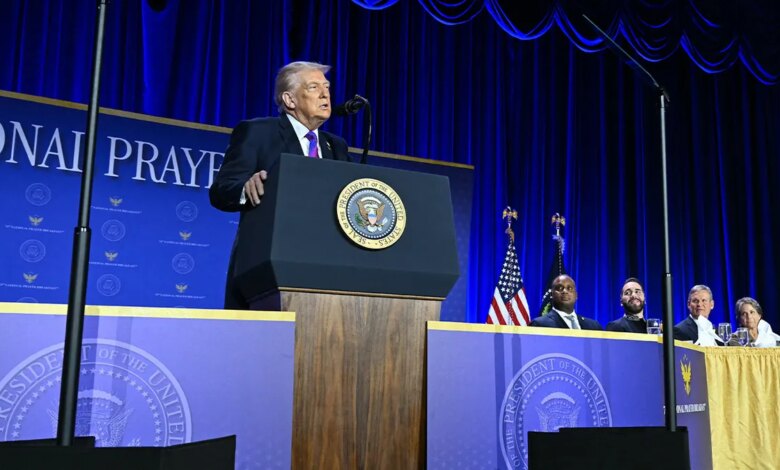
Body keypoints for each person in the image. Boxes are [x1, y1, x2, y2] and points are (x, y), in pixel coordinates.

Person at [209, 61, 351, 309]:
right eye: (313, 87)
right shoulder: (258, 132)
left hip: (328, 268)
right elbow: (221, 190)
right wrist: (246, 188)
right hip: (267, 270)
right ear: (290, 99)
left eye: (327, 87)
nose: (325, 94)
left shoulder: (336, 146)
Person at [530, 275, 602, 330]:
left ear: (576, 295)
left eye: (569, 288)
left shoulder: (594, 326)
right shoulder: (540, 324)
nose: (565, 291)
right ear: (551, 295)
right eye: (560, 288)